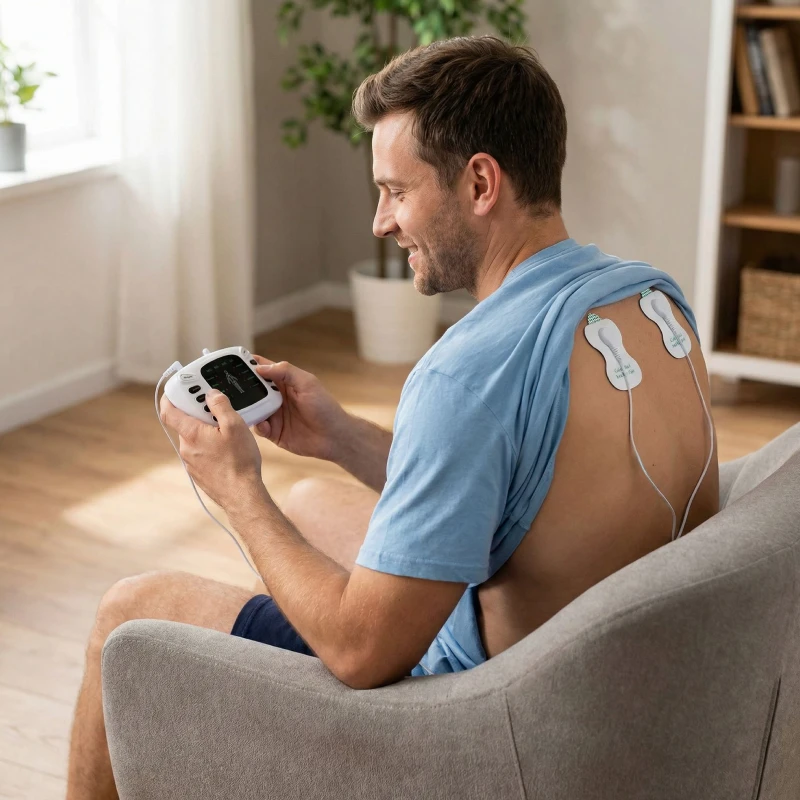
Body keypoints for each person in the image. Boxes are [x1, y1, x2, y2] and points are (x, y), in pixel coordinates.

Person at [66, 35, 718, 798]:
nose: (381, 222)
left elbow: (361, 653)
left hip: (485, 719)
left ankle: (278, 721)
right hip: (621, 682)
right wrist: (341, 437)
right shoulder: (649, 300)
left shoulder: (466, 372)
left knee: (124, 613)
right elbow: (517, 485)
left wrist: (237, 491)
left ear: (480, 183)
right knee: (310, 501)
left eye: (396, 191)